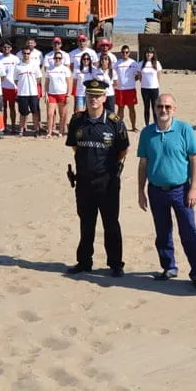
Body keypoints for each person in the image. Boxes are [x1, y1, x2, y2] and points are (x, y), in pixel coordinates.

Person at [136, 93, 196, 289]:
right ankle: (169, 267)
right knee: (162, 232)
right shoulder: (147, 133)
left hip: (181, 190)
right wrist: (140, 191)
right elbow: (143, 163)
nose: (163, 110)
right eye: (160, 107)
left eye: (167, 107)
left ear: (174, 109)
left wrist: (193, 188)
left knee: (189, 232)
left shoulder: (184, 129)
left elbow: (194, 159)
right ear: (155, 109)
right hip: (156, 190)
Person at [65, 79, 130, 277]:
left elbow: (123, 150)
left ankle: (116, 264)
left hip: (107, 182)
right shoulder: (77, 120)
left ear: (104, 98)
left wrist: (107, 170)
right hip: (84, 182)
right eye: (90, 95)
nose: (93, 99)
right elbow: (75, 148)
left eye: (97, 96)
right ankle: (84, 261)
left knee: (111, 223)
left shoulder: (114, 122)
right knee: (86, 223)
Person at [14, 46, 43, 137]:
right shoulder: (18, 66)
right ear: (22, 54)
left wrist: (32, 85)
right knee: (23, 113)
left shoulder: (34, 65)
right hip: (22, 93)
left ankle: (36, 130)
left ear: (30, 54)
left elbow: (39, 79)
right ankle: (21, 130)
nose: (26, 55)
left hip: (33, 93)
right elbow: (16, 80)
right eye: (24, 53)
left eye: (28, 53)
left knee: (35, 112)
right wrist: (23, 86)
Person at [44, 49, 73, 137]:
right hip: (51, 94)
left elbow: (69, 83)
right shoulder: (49, 69)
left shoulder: (65, 69)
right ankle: (49, 132)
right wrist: (45, 94)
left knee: (62, 114)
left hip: (62, 94)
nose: (57, 59)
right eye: (56, 58)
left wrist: (68, 94)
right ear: (53, 59)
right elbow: (46, 83)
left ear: (62, 59)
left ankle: (61, 131)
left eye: (59, 58)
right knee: (50, 114)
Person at [0, 40, 20, 133]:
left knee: (12, 107)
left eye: (8, 47)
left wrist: (18, 86)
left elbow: (18, 72)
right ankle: (4, 126)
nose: (6, 49)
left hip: (12, 87)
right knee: (3, 108)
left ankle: (13, 126)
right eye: (4, 47)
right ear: (2, 48)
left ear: (11, 48)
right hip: (1, 87)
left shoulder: (15, 59)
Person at [113, 45, 140, 131]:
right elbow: (113, 76)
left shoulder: (134, 63)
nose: (125, 54)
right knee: (120, 109)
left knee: (131, 108)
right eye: (123, 52)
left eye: (126, 52)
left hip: (130, 89)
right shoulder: (116, 64)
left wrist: (130, 82)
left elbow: (137, 76)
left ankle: (133, 126)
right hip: (119, 89)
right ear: (121, 53)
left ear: (129, 53)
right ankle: (119, 127)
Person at [136, 47, 162, 126]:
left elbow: (159, 76)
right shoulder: (141, 63)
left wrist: (155, 84)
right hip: (145, 88)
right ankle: (147, 125)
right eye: (147, 53)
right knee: (146, 107)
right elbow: (139, 76)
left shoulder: (157, 63)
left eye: (150, 53)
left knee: (155, 107)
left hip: (154, 88)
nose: (148, 54)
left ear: (153, 54)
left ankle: (156, 124)